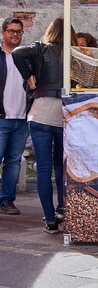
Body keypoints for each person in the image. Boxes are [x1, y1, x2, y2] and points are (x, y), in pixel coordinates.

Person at [12, 17, 78, 233]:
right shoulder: (73, 54)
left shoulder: (40, 48)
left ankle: (50, 219)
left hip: (39, 113)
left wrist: (28, 75)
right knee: (61, 167)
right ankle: (62, 209)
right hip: (63, 115)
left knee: (43, 168)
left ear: (50, 30)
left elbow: (17, 52)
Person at [0, 18, 28, 216]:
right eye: (11, 31)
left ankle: (7, 200)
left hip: (21, 118)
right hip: (1, 118)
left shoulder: (25, 57)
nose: (15, 35)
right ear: (3, 32)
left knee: (13, 161)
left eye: (18, 32)